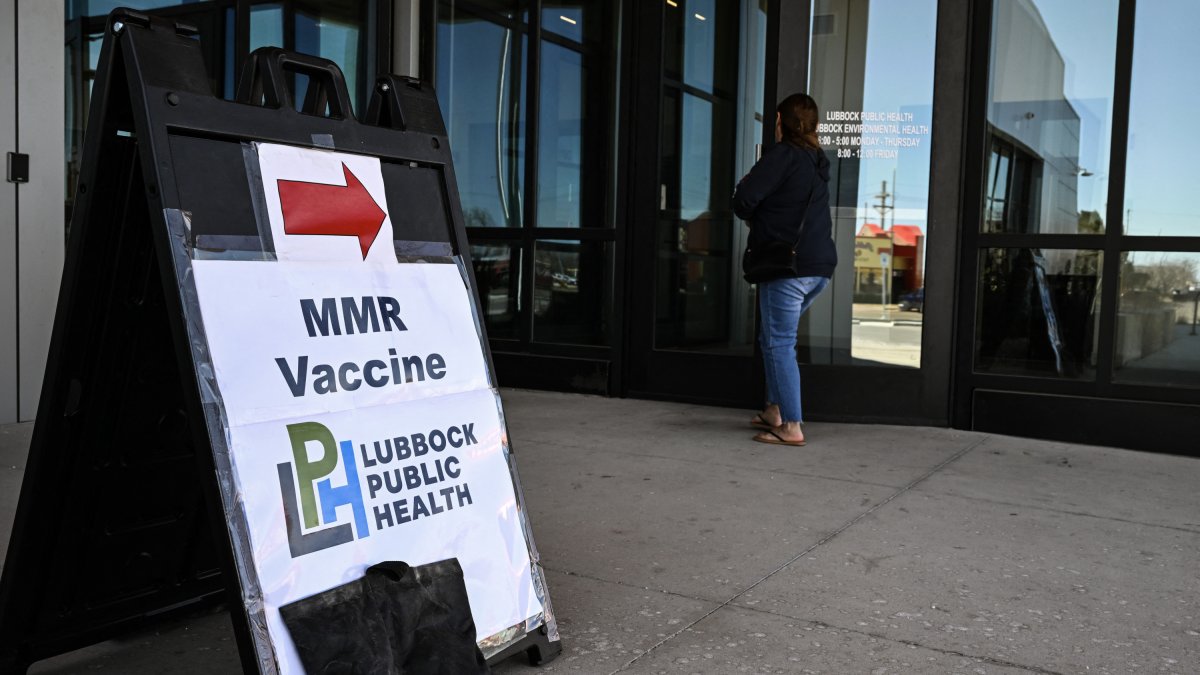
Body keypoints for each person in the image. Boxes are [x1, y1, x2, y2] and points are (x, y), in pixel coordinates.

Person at [733, 93, 836, 447]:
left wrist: (747, 191)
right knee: (772, 337)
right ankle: (775, 410)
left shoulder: (783, 155)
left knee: (779, 341)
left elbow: (743, 201)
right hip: (818, 268)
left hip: (787, 266)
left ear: (779, 121)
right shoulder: (817, 162)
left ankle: (792, 425)